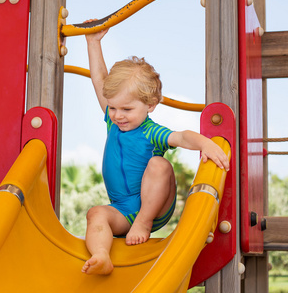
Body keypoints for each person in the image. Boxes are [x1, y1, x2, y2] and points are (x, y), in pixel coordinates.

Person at [81, 22, 230, 276]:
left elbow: (182, 137)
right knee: (95, 213)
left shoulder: (151, 132)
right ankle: (101, 256)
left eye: (127, 109)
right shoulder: (113, 121)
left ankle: (144, 222)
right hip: (122, 210)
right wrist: (93, 42)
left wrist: (205, 143)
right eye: (114, 107)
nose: (117, 115)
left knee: (159, 164)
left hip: (153, 207)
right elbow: (99, 80)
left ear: (150, 105)